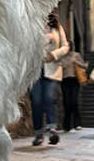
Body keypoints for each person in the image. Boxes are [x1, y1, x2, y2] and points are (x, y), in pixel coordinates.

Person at [31, 11, 69, 145]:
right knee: (36, 102)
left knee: (49, 98)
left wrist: (54, 54)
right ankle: (38, 134)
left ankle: (52, 128)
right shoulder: (32, 25)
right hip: (35, 69)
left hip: (51, 68)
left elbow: (65, 47)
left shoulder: (57, 28)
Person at [58, 43, 85, 131]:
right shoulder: (61, 57)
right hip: (65, 80)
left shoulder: (76, 55)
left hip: (74, 80)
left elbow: (84, 66)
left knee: (74, 101)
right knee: (66, 102)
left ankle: (77, 123)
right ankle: (67, 125)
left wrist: (76, 61)